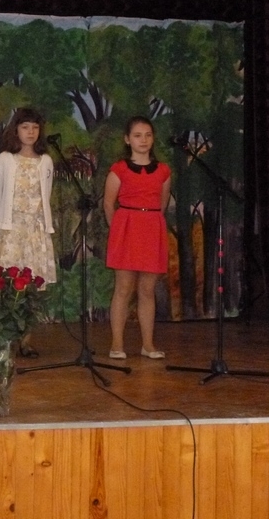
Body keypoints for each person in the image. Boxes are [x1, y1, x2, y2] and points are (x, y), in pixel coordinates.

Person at [0, 108, 57, 358]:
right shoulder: (6, 159)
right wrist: (7, 220)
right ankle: (6, 338)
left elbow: (45, 195)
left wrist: (38, 222)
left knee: (32, 287)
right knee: (9, 284)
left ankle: (26, 341)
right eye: (25, 127)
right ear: (16, 130)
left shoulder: (45, 161)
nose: (30, 132)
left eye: (35, 128)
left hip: (35, 231)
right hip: (12, 230)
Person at [103, 116, 172, 360]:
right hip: (126, 229)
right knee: (123, 288)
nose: (143, 140)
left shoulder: (163, 171)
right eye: (137, 135)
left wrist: (149, 222)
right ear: (127, 139)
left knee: (147, 290)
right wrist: (119, 229)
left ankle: (148, 345)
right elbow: (108, 204)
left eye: (148, 135)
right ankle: (117, 344)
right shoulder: (119, 169)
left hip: (151, 229)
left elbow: (162, 204)